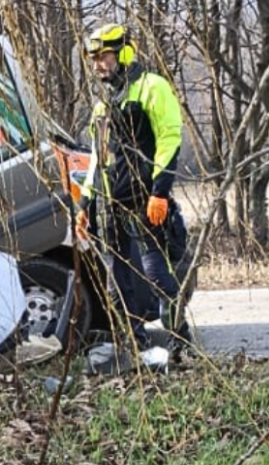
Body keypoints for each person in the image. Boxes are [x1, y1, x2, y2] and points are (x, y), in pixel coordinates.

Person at [75, 23, 193, 353]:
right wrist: (85, 205)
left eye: (104, 56)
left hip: (144, 200)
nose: (98, 65)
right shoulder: (102, 106)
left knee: (156, 274)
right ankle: (135, 347)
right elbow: (98, 159)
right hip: (109, 207)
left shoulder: (153, 88)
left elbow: (169, 139)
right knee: (116, 282)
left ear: (124, 53)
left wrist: (159, 191)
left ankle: (181, 340)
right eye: (94, 59)